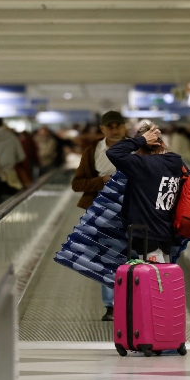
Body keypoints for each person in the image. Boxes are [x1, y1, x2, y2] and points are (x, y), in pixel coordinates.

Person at [70, 111, 127, 321]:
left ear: (124, 127)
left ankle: (132, 302)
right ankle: (111, 306)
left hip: (134, 210)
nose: (114, 130)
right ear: (102, 129)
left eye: (118, 125)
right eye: (109, 126)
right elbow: (77, 184)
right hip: (102, 210)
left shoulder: (138, 150)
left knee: (132, 258)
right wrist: (101, 180)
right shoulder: (93, 151)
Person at [105, 122, 185, 263]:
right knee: (163, 275)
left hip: (147, 233)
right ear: (162, 144)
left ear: (139, 149)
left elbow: (113, 152)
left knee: (153, 280)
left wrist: (140, 140)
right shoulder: (176, 163)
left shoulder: (141, 165)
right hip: (167, 232)